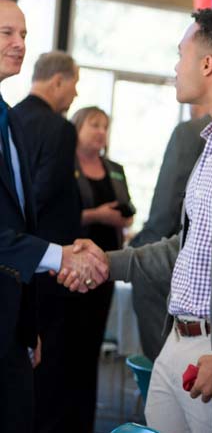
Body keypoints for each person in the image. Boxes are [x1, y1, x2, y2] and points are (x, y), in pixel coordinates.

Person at [61, 6, 212, 433]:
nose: (175, 68)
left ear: (207, 64)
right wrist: (106, 262)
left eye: (181, 54)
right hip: (175, 341)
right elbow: (186, 248)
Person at [0, 0, 106, 433]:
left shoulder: (12, 120)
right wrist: (61, 255)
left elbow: (20, 216)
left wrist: (25, 328)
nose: (20, 44)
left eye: (23, 33)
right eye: (6, 32)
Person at [10, 51, 85, 433]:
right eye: (73, 82)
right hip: (50, 268)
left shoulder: (12, 117)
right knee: (51, 370)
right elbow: (38, 198)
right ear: (57, 81)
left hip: (16, 267)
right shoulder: (59, 128)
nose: (75, 93)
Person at [66, 105, 133, 431]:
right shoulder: (65, 166)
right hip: (69, 268)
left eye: (105, 126)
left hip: (105, 270)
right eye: (94, 124)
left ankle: (84, 420)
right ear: (77, 127)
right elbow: (57, 216)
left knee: (90, 346)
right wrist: (96, 216)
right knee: (65, 345)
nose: (100, 132)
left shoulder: (114, 169)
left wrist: (121, 217)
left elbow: (127, 210)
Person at [129, 104, 210, 361]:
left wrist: (136, 252)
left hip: (172, 273)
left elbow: (164, 213)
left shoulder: (189, 133)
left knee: (164, 372)